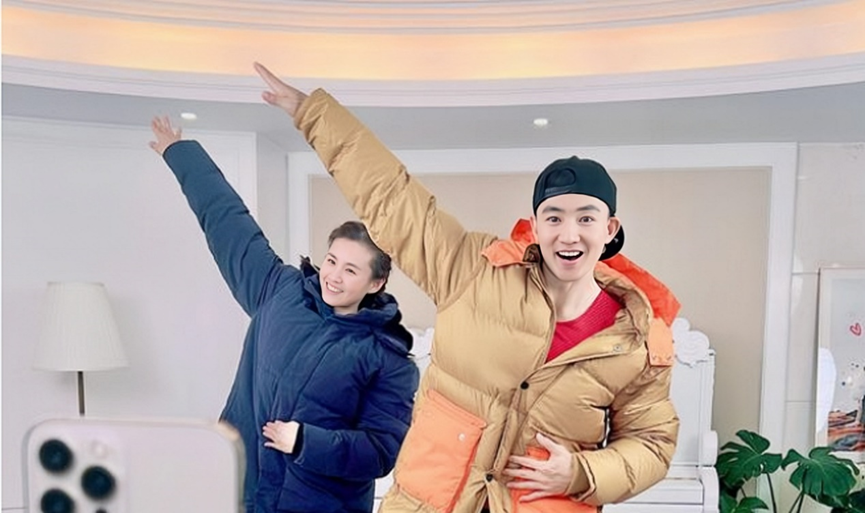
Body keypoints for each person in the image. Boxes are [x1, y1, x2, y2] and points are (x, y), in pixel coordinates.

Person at [252, 63, 682, 513]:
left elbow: (652, 443)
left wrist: (581, 472)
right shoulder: (474, 271)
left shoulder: (637, 337)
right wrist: (313, 114)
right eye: (554, 217)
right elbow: (393, 199)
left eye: (586, 218)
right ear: (535, 226)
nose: (568, 234)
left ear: (609, 228)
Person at [148, 117, 420, 513]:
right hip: (240, 492)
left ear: (376, 282)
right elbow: (230, 225)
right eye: (332, 261)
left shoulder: (388, 359)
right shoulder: (280, 290)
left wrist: (305, 441)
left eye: (351, 270)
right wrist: (181, 155)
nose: (333, 276)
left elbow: (379, 452)